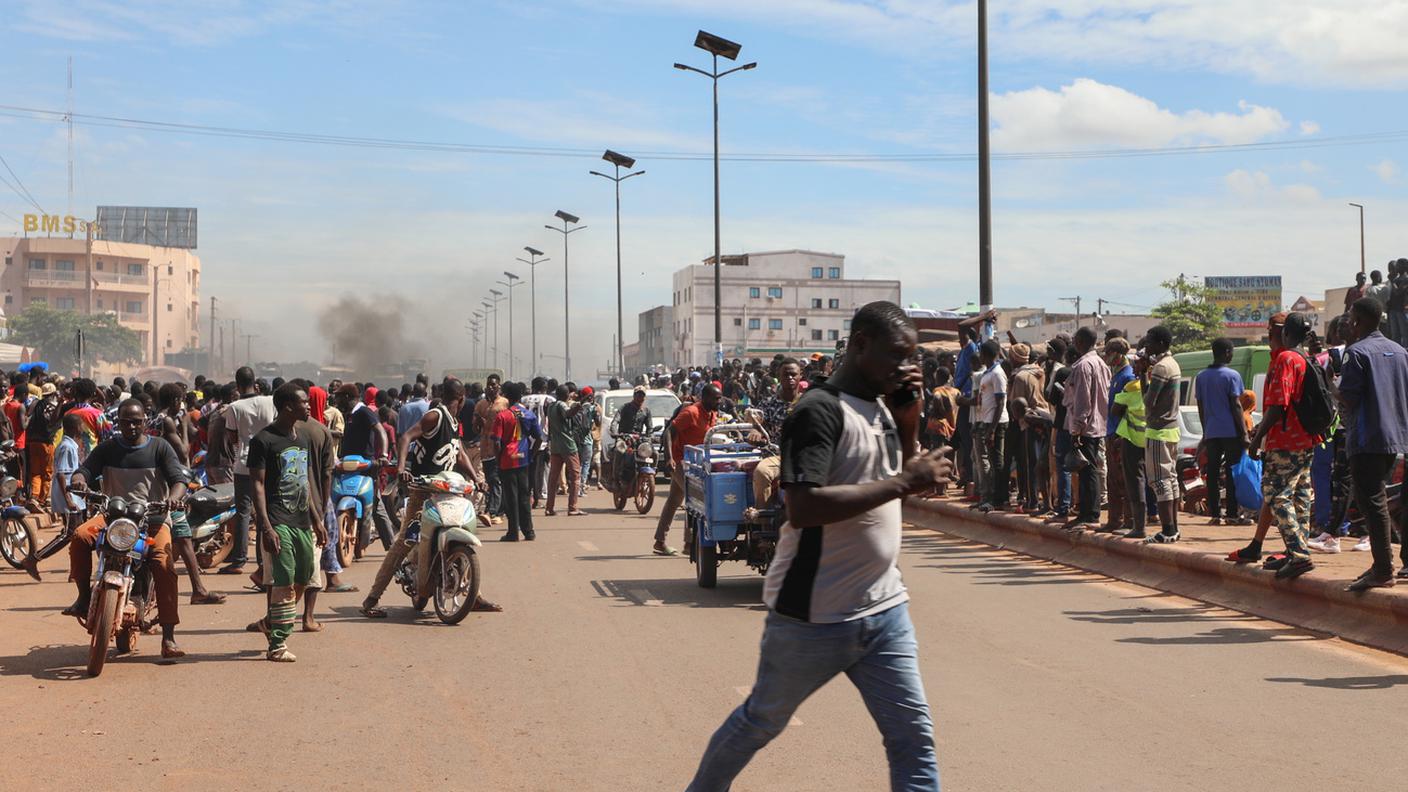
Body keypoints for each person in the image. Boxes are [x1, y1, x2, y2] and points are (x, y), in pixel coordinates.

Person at [686, 301, 952, 792]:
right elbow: (804, 508)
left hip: (884, 610)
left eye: (911, 358)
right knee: (760, 721)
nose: (906, 368)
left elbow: (900, 477)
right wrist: (903, 482)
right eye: (897, 356)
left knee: (913, 738)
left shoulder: (885, 407)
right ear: (860, 345)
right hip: (812, 616)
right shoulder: (818, 411)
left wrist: (910, 422)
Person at [62, 399, 190, 659]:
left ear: (145, 421)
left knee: (164, 565)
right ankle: (84, 597)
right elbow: (85, 470)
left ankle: (168, 636)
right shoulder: (107, 448)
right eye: (125, 421)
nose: (131, 426)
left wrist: (174, 498)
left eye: (136, 421)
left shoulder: (160, 447)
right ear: (117, 422)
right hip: (113, 517)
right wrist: (79, 480)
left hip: (153, 519)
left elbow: (179, 480)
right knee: (80, 536)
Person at [1231, 313, 1321, 578]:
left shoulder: (1286, 359)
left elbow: (1279, 404)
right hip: (1306, 440)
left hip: (1285, 442)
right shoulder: (1306, 358)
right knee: (1301, 496)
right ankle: (1298, 551)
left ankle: (1299, 554)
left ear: (1283, 333)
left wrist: (1257, 439)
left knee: (1276, 494)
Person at [247, 384, 324, 662]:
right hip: (278, 521)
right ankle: (277, 644)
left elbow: (304, 482)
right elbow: (256, 485)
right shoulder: (263, 440)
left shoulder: (301, 438)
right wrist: (265, 527)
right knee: (284, 581)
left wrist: (317, 519)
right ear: (288, 407)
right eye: (303, 403)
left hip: (302, 520)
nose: (308, 406)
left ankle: (270, 622)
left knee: (304, 577)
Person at [1337, 298, 1408, 590]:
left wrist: (1332, 386)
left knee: (1372, 502)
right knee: (1380, 498)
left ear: (1359, 321)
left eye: (1352, 318)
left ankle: (1382, 568)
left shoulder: (1356, 353)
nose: (1350, 323)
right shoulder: (1401, 351)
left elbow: (1350, 398)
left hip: (1366, 437)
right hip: (1395, 437)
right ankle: (1383, 565)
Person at [150, 382, 226, 604]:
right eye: (181, 399)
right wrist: (183, 425)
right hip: (168, 486)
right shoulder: (165, 421)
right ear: (175, 401)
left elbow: (193, 435)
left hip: (164, 483)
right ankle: (194, 591)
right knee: (180, 534)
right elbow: (183, 451)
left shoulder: (159, 417)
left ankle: (197, 589)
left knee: (181, 536)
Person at [219, 367, 277, 576]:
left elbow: (232, 437)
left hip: (243, 464)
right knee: (265, 511)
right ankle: (264, 561)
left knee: (243, 512)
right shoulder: (270, 402)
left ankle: (239, 560)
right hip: (269, 463)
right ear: (255, 382)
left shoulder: (234, 407)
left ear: (237, 384)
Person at [656, 384, 719, 556]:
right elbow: (669, 432)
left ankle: (660, 541)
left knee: (674, 501)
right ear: (705, 398)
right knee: (696, 500)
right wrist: (669, 458)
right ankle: (689, 543)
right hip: (680, 461)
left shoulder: (712, 413)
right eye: (716, 398)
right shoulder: (691, 412)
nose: (719, 402)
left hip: (697, 463)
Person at [333, 383, 394, 553]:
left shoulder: (364, 412)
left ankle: (393, 549)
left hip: (365, 465)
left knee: (376, 506)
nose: (336, 400)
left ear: (346, 397)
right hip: (346, 465)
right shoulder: (349, 415)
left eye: (338, 397)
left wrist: (382, 455)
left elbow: (380, 431)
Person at [1196, 338, 1250, 526]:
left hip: (1212, 431)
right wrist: (1244, 433)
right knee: (1231, 471)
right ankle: (1232, 513)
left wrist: (1205, 431)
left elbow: (1201, 406)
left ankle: (1215, 513)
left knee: (1211, 472)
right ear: (1227, 352)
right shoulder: (1232, 375)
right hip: (1230, 431)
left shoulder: (1201, 376)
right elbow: (1236, 405)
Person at [1063, 327, 1111, 529]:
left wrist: (1076, 429)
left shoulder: (1083, 365)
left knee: (1087, 472)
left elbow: (1083, 401)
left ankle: (1089, 514)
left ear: (1081, 341)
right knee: (1088, 470)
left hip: (1086, 426)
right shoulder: (1101, 363)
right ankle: (1086, 512)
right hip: (1099, 424)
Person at [1141, 326, 1182, 543]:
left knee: (1160, 480)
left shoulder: (1160, 368)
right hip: (1172, 429)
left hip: (1158, 430)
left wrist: (1141, 374)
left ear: (1162, 344)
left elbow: (1148, 401)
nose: (1147, 346)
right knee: (1171, 479)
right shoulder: (1173, 364)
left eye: (1150, 341)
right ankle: (1173, 527)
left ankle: (1167, 530)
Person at [745, 359, 802, 512]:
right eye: (786, 375)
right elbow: (757, 426)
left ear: (800, 376)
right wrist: (755, 433)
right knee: (762, 472)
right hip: (777, 457)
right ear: (779, 377)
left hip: (804, 457)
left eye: (793, 375)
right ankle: (762, 522)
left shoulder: (808, 402)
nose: (790, 378)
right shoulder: (768, 404)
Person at [492, 381, 542, 542]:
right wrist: (531, 455)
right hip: (524, 460)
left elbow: (497, 442)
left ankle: (513, 532)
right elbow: (539, 438)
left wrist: (498, 459)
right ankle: (529, 531)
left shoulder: (502, 416)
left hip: (507, 460)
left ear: (506, 397)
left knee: (510, 497)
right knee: (524, 495)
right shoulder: (528, 414)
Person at [1006, 343, 1045, 514]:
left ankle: (1032, 501)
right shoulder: (1039, 371)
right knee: (1040, 463)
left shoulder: (1020, 377)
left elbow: (1016, 404)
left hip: (1029, 421)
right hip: (1044, 419)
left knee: (1030, 464)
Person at [1101, 338, 1135, 533]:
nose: (1107, 356)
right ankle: (1114, 519)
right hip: (1111, 431)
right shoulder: (1116, 375)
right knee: (1113, 480)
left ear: (1118, 354)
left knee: (1125, 480)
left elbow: (1127, 408)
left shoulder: (1127, 377)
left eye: (1109, 353)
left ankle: (1128, 520)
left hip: (1122, 434)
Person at [544, 384, 585, 516]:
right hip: (567, 444)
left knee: (553, 477)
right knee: (575, 475)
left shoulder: (550, 406)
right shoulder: (562, 405)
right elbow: (568, 414)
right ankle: (572, 507)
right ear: (567, 395)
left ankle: (549, 507)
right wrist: (577, 406)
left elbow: (550, 426)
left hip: (555, 445)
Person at [474, 375, 508, 525]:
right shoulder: (480, 405)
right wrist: (479, 423)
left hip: (499, 447)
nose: (491, 388)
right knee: (491, 480)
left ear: (499, 387)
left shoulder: (504, 403)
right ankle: (498, 510)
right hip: (485, 448)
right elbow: (475, 429)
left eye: (494, 385)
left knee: (495, 480)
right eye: (489, 385)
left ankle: (491, 511)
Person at [24, 381, 59, 512]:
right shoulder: (53, 406)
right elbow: (53, 423)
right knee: (47, 473)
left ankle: (34, 497)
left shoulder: (35, 404)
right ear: (54, 394)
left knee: (35, 472)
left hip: (32, 442)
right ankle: (42, 500)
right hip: (46, 442)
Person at [521, 378, 556, 508]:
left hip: (524, 440)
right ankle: (535, 497)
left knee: (526, 470)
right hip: (541, 440)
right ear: (545, 387)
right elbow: (551, 419)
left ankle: (529, 496)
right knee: (538, 471)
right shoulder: (549, 400)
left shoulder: (524, 400)